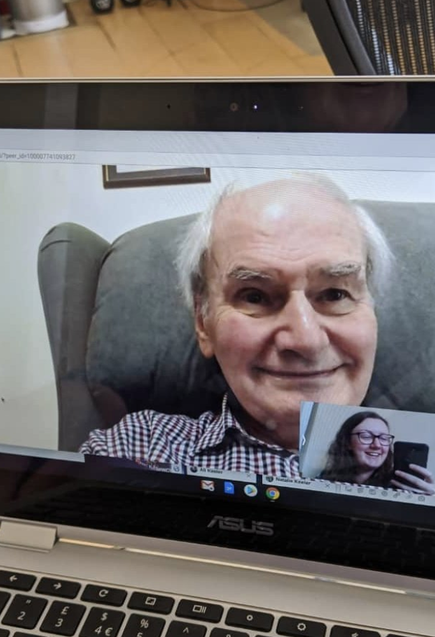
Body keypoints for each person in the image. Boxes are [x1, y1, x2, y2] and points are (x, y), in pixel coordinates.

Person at [79, 176, 394, 476]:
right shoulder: (140, 448)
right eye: (254, 296)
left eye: (335, 294)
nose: (306, 340)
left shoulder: (433, 480)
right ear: (204, 323)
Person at [319, 411, 435, 494]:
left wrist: (434, 501)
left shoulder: (398, 486)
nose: (376, 445)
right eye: (366, 436)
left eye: (383, 438)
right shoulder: (325, 478)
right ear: (348, 443)